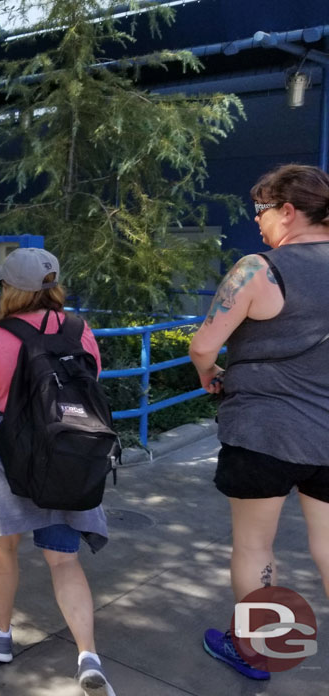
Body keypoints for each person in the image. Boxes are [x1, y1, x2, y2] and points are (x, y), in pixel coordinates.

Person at [188, 163, 329, 681]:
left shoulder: (259, 269)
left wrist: (211, 373)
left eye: (262, 212)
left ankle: (256, 653)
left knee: (255, 546)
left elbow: (204, 344)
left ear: (289, 211)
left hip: (263, 432)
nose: (259, 224)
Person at [0, 247, 115, 696]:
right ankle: (88, 654)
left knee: (4, 552)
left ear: (10, 289)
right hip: (67, 455)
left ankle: (2, 636)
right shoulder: (79, 330)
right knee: (64, 561)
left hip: (9, 457)